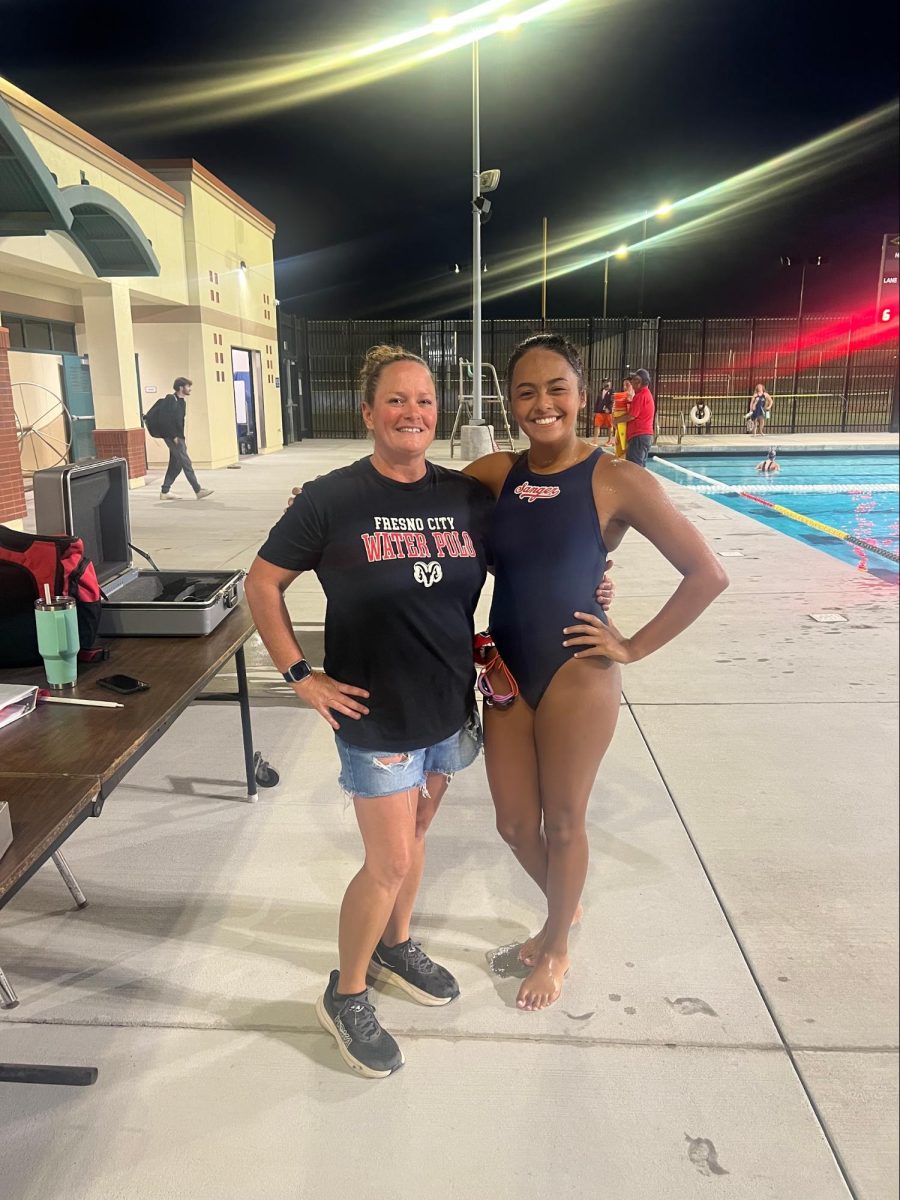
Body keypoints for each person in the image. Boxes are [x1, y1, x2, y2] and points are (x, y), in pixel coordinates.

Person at [248, 344, 617, 1078]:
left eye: (423, 400)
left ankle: (396, 943)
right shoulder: (330, 498)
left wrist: (599, 584)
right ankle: (346, 992)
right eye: (395, 400)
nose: (412, 412)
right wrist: (300, 675)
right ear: (368, 413)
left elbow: (539, 546)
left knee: (414, 840)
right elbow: (263, 584)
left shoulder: (466, 496)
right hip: (376, 715)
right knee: (386, 862)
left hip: (449, 708)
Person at [463, 333, 728, 1012]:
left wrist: (632, 645)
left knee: (564, 822)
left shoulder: (617, 479)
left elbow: (707, 575)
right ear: (512, 401)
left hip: (578, 670)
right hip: (506, 668)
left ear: (584, 396)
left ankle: (555, 944)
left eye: (557, 388)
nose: (542, 402)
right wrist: (326, 504)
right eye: (526, 390)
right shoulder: (495, 474)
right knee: (515, 825)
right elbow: (410, 502)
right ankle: (566, 906)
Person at [157, 378, 214, 500]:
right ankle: (198, 490)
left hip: (179, 437)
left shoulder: (182, 402)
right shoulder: (171, 399)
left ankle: (165, 491)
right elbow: (165, 420)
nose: (190, 389)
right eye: (188, 386)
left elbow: (179, 421)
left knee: (176, 465)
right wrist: (174, 436)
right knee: (186, 463)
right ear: (181, 387)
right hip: (173, 437)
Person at [613, 367, 655, 466]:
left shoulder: (640, 396)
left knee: (634, 467)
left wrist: (616, 420)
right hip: (644, 436)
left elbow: (632, 415)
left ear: (638, 382)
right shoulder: (645, 394)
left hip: (638, 436)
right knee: (639, 467)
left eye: (632, 381)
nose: (631, 383)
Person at [612, 379, 633, 458]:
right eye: (624, 385)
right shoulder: (620, 399)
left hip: (629, 430)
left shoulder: (635, 399)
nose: (624, 387)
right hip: (620, 428)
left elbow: (632, 416)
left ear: (633, 385)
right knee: (619, 449)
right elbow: (614, 413)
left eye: (627, 385)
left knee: (626, 451)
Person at [592, 378, 614, 446]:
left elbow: (613, 401)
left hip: (608, 412)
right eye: (604, 382)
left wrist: (609, 409)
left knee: (610, 426)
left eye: (607, 382)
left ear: (610, 383)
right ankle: (595, 441)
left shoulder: (612, 392)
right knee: (597, 425)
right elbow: (597, 401)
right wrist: (595, 411)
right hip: (600, 411)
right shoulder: (601, 391)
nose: (606, 383)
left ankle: (609, 441)